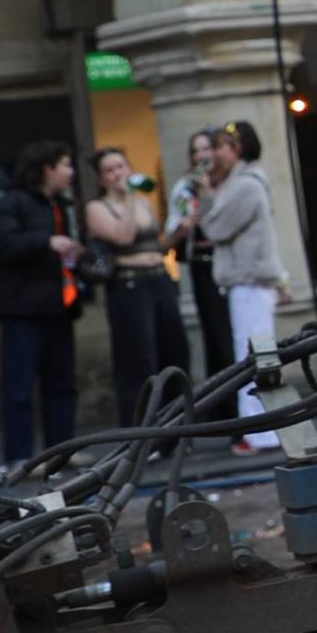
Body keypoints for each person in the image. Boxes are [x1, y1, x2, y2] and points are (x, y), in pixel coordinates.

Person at [0, 141, 83, 466]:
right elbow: (3, 245)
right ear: (46, 168)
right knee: (19, 387)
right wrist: (46, 242)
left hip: (57, 307)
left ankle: (61, 452)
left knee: (62, 384)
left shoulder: (58, 205)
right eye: (65, 165)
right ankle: (19, 456)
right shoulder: (9, 204)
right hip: (21, 309)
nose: (71, 172)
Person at [86, 148, 194, 426]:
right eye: (109, 170)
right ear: (101, 178)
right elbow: (123, 238)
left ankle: (176, 425)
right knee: (138, 358)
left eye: (121, 167)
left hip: (158, 277)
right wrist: (130, 198)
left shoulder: (143, 203)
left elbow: (154, 246)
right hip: (129, 284)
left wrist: (177, 233)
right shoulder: (98, 208)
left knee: (174, 351)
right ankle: (141, 430)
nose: (117, 174)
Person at [197, 121, 287, 454]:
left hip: (248, 282)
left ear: (237, 149)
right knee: (256, 354)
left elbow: (216, 228)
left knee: (250, 356)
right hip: (250, 281)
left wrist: (207, 198)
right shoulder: (246, 182)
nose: (214, 154)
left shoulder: (245, 185)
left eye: (219, 146)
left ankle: (260, 432)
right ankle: (265, 429)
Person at [167, 130, 236, 381]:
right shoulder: (185, 186)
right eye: (195, 151)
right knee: (213, 331)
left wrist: (207, 193)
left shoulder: (229, 182)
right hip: (201, 263)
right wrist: (182, 227)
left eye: (206, 149)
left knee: (232, 331)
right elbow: (173, 227)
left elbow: (227, 221)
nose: (201, 156)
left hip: (228, 263)